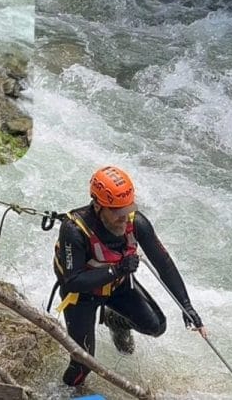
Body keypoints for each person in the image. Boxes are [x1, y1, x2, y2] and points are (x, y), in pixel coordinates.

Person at [52, 166, 207, 387]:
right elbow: (73, 281)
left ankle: (116, 321)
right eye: (117, 212)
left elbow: (164, 263)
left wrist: (186, 306)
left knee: (157, 326)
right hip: (82, 296)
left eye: (128, 209)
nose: (124, 218)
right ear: (98, 206)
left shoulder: (136, 222)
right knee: (83, 365)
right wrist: (117, 270)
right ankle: (64, 393)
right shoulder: (74, 230)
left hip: (118, 286)